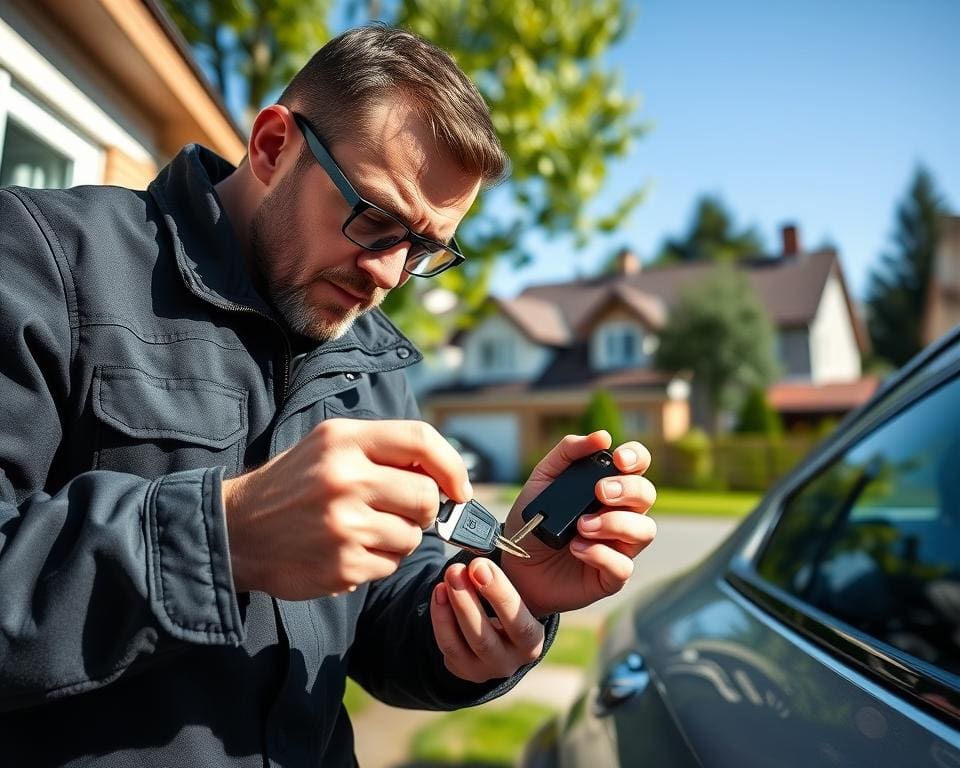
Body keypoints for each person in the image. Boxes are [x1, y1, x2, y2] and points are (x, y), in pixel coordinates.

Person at [0, 24, 657, 767]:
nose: (387, 276)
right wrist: (222, 537)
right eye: (375, 219)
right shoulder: (44, 259)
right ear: (274, 145)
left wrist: (501, 597)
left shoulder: (373, 363)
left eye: (424, 249)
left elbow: (383, 612)